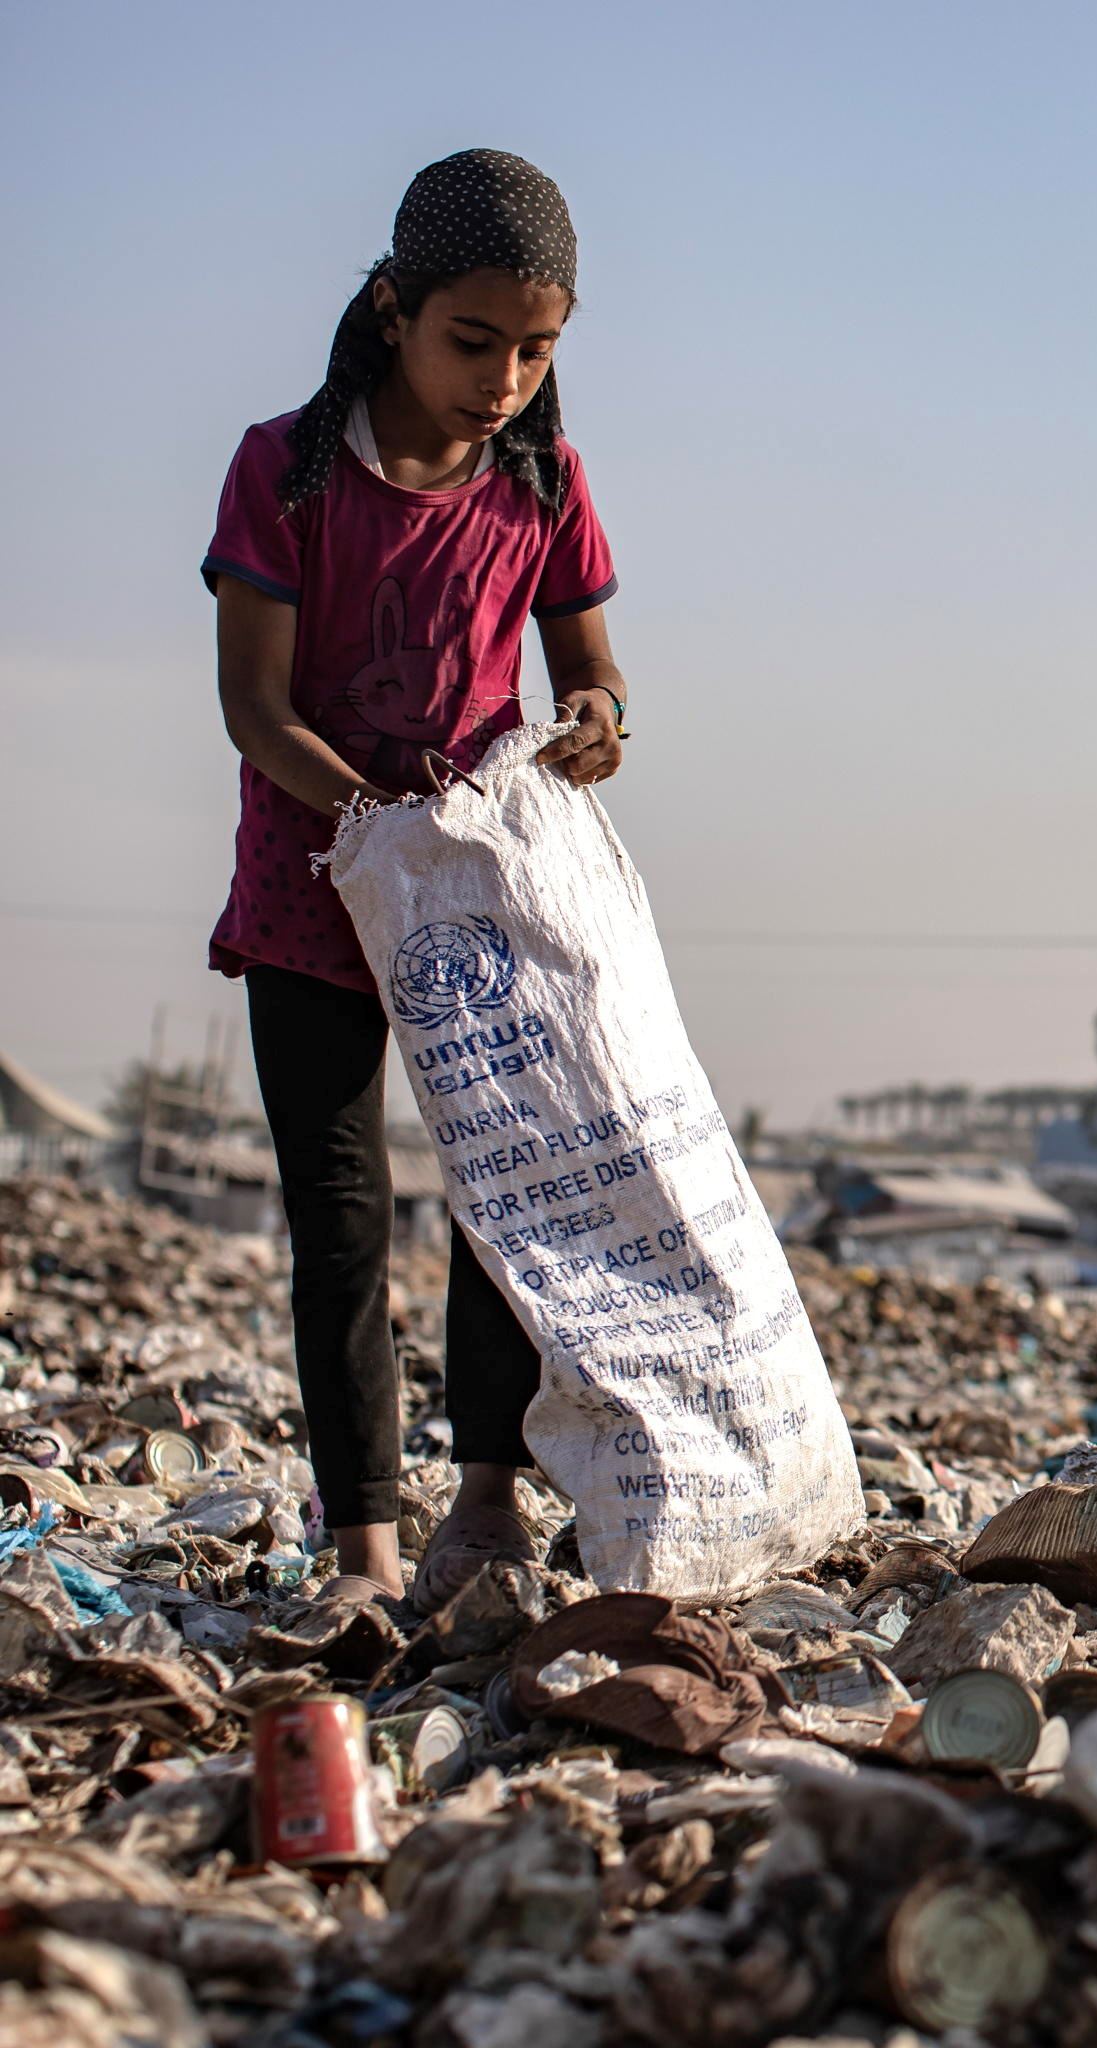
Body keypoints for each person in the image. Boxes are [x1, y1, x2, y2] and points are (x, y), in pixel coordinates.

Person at [200, 150, 630, 1610]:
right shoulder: (289, 470)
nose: (504, 377)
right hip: (309, 895)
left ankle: (488, 1506)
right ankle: (362, 1547)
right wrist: (370, 815)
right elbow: (257, 707)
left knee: (500, 1204)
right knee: (340, 1223)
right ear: (393, 309)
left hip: (477, 907)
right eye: (473, 341)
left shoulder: (542, 482)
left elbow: (588, 663)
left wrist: (596, 723)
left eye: (537, 348)